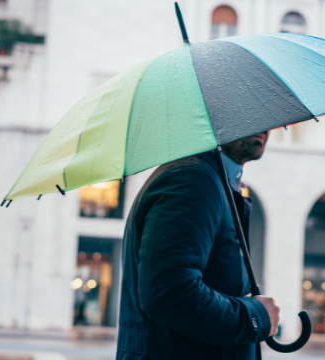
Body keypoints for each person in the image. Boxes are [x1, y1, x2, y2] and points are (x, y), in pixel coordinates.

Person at [116, 131, 280, 360]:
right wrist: (254, 317)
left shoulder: (211, 179)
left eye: (267, 112)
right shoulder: (191, 178)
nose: (264, 124)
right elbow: (171, 294)